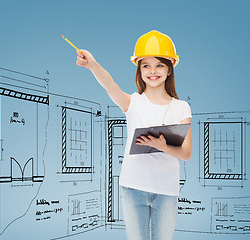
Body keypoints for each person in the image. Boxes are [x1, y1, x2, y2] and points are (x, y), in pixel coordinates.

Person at [76, 30, 192, 240]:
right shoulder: (133, 102)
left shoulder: (181, 108)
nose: (152, 71)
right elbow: (109, 84)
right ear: (139, 70)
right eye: (145, 65)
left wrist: (162, 146)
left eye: (159, 65)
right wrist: (92, 64)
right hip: (133, 187)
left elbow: (186, 153)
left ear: (169, 69)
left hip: (166, 191)